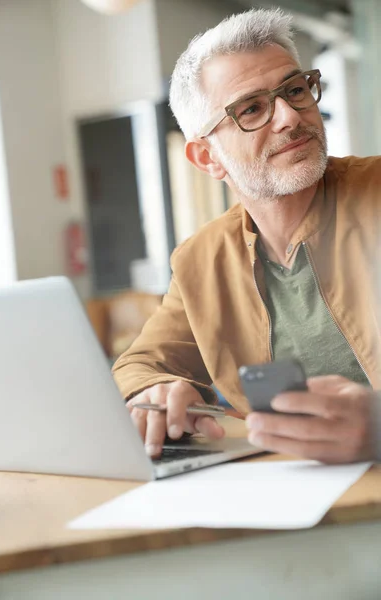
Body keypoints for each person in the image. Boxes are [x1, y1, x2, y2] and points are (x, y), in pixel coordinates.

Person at [113, 7, 381, 463]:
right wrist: (152, 393)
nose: (289, 117)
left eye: (295, 90)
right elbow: (140, 365)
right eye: (252, 109)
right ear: (206, 158)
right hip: (289, 505)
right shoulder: (200, 261)